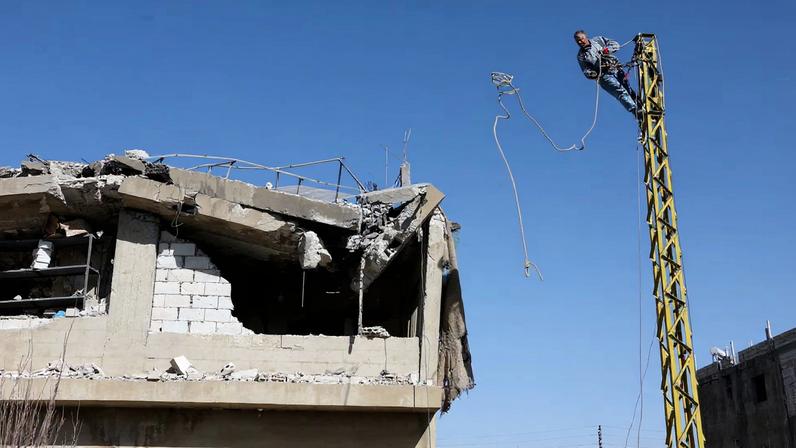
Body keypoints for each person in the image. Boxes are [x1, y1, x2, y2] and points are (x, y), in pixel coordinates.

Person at [574, 30, 639, 116]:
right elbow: (586, 70)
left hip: (615, 68)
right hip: (603, 76)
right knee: (620, 91)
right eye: (578, 41)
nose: (580, 42)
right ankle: (635, 110)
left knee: (627, 89)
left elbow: (615, 44)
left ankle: (639, 105)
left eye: (581, 39)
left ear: (585, 37)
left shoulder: (598, 40)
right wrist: (593, 73)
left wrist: (607, 50)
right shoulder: (581, 56)